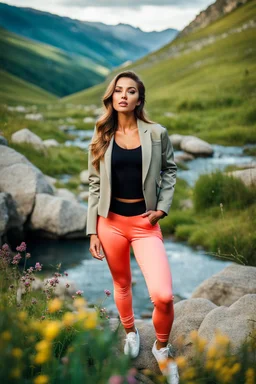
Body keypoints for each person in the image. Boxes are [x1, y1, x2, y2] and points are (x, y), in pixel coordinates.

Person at [87, 70, 179, 383]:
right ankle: (130, 332)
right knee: (122, 283)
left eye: (131, 91)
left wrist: (162, 209)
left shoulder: (156, 133)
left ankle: (162, 349)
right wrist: (92, 230)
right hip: (109, 223)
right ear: (111, 97)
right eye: (118, 91)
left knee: (163, 296)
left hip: (144, 224)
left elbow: (170, 170)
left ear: (139, 99)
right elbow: (94, 183)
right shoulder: (101, 134)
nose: (124, 96)